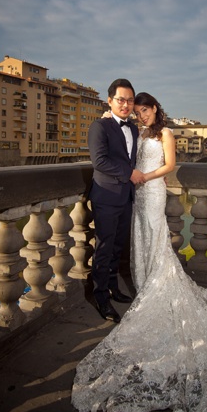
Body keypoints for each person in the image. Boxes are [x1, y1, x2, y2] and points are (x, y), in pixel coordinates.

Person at [72, 92, 207, 412]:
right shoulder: (135, 131)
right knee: (139, 240)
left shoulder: (166, 133)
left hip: (150, 192)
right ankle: (144, 284)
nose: (141, 115)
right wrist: (125, 149)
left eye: (145, 110)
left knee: (154, 237)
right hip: (134, 194)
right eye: (137, 111)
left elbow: (169, 166)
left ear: (155, 108)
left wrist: (148, 178)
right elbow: (120, 155)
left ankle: (157, 286)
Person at [87, 78, 146, 323]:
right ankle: (100, 296)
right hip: (106, 196)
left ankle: (112, 287)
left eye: (130, 100)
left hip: (126, 197)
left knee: (117, 246)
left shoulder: (132, 128)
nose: (125, 104)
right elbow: (98, 161)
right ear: (110, 101)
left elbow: (131, 159)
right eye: (120, 99)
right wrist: (129, 174)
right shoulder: (99, 126)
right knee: (104, 247)